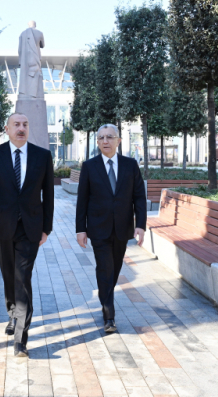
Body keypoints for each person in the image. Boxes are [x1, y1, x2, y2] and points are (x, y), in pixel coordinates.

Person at [0, 113, 54, 358]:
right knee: (9, 275)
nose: (21, 128)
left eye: (25, 124)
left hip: (30, 228)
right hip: (2, 226)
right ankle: (12, 312)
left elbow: (49, 194)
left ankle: (21, 339)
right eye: (17, 125)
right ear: (7, 128)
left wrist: (47, 228)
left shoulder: (43, 156)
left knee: (22, 278)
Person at [75, 123, 147, 333]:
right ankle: (109, 316)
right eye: (101, 138)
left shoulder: (130, 165)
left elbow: (139, 198)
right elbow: (82, 200)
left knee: (113, 270)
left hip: (122, 228)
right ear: (97, 142)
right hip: (98, 228)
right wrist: (81, 229)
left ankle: (105, 296)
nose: (105, 141)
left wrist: (140, 225)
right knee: (105, 268)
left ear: (118, 141)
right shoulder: (89, 166)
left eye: (109, 137)